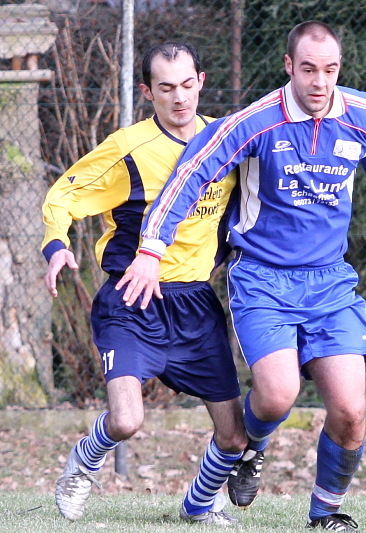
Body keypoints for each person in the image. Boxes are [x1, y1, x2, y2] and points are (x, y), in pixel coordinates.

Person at [117, 21, 366, 531]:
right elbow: (193, 170)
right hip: (262, 279)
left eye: (330, 70)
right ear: (289, 66)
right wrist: (152, 247)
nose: (320, 82)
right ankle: (251, 449)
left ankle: (325, 514)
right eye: (308, 69)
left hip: (330, 282)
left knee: (351, 413)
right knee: (275, 396)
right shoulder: (258, 121)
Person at [42, 42, 247, 525]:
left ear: (201, 82)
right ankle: (83, 462)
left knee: (235, 437)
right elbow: (63, 195)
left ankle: (198, 504)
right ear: (147, 92)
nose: (180, 97)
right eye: (166, 87)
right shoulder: (129, 148)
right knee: (127, 420)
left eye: (188, 85)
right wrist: (56, 245)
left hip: (195, 304)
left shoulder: (227, 142)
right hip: (132, 301)